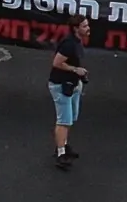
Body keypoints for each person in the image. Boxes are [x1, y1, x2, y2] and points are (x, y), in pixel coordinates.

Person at [49, 16, 91, 170]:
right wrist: (75, 70)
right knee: (64, 121)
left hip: (72, 84)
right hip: (61, 85)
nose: (88, 28)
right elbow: (57, 63)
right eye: (85, 26)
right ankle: (60, 154)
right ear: (76, 28)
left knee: (71, 117)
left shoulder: (78, 41)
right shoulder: (69, 44)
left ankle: (64, 145)